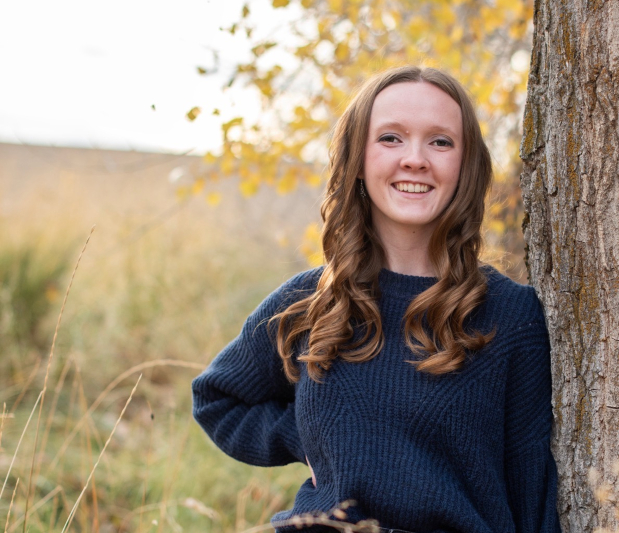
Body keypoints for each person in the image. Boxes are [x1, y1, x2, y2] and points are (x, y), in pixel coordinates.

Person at [192, 66, 560, 533]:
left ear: (466, 166)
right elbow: (217, 397)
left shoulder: (511, 315)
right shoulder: (312, 300)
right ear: (358, 160)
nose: (415, 159)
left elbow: (532, 492)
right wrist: (309, 438)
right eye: (391, 138)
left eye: (440, 142)